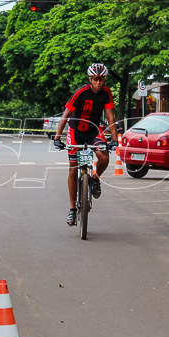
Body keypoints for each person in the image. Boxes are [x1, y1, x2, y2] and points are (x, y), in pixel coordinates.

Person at [52, 63, 120, 226]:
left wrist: (115, 139)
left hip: (93, 131)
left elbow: (110, 117)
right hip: (75, 132)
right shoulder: (81, 92)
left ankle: (95, 178)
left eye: (101, 79)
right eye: (95, 79)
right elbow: (65, 115)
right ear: (90, 79)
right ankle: (72, 209)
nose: (98, 82)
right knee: (73, 169)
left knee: (104, 156)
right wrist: (57, 137)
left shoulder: (107, 93)